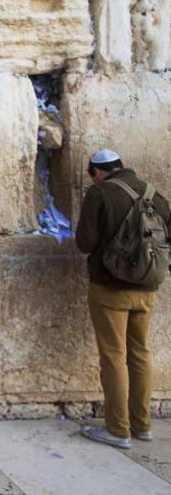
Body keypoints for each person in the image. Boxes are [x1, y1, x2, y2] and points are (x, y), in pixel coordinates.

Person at [76, 150, 171, 449]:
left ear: (97, 171)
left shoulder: (100, 193)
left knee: (114, 357)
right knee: (140, 354)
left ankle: (118, 430)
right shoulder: (154, 195)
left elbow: (85, 243)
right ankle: (142, 425)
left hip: (110, 289)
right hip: (146, 290)